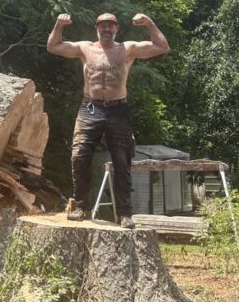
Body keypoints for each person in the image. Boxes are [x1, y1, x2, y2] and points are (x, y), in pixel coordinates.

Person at [46, 12, 170, 228]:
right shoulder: (85, 48)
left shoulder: (127, 49)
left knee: (122, 162)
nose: (106, 30)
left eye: (110, 26)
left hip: (118, 110)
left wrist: (149, 22)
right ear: (96, 28)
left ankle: (124, 213)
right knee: (79, 157)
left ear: (116, 29)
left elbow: (161, 47)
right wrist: (59, 24)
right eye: (103, 26)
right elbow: (53, 47)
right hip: (90, 107)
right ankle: (82, 207)